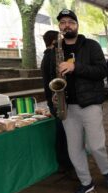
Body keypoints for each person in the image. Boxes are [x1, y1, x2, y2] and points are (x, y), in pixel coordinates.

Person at [55, 9, 108, 193]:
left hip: (90, 104)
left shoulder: (91, 45)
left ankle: (107, 172)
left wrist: (75, 67)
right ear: (59, 26)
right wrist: (55, 96)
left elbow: (101, 71)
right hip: (68, 107)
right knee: (74, 149)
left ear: (77, 24)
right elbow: (51, 76)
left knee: (96, 146)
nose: (67, 25)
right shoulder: (55, 50)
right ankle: (86, 183)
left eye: (70, 22)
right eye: (63, 22)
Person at [41, 30, 74, 175]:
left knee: (63, 133)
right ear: (54, 42)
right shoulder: (50, 56)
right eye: (59, 40)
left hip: (54, 98)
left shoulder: (47, 56)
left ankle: (65, 163)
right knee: (63, 133)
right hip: (56, 99)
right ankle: (65, 163)